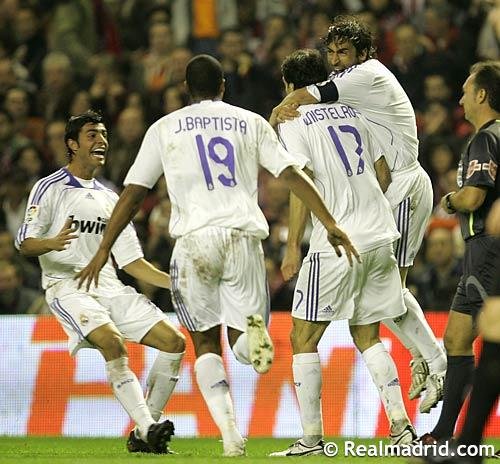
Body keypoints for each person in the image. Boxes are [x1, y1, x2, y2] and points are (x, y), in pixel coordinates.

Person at [76, 55, 358, 457]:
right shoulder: (251, 122)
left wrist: (104, 247)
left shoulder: (164, 127)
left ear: (186, 89)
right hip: (244, 239)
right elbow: (292, 174)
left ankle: (230, 436)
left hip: (194, 241)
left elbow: (134, 193)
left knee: (205, 343)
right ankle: (249, 341)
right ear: (223, 85)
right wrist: (328, 221)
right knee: (242, 339)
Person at [273, 14, 446, 413]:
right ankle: (423, 358)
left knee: (393, 291)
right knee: (383, 297)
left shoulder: (364, 75)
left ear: (364, 52)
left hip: (402, 185)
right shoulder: (349, 91)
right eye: (331, 53)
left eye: (344, 52)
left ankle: (436, 362)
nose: (336, 60)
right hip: (388, 189)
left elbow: (304, 96)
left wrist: (277, 113)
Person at [269, 49, 415, 457]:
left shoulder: (292, 118)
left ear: (289, 86)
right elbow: (383, 172)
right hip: (380, 234)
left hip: (337, 241)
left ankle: (312, 440)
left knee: (302, 336)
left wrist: (293, 245)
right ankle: (401, 427)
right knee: (367, 334)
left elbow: (300, 180)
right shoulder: (354, 111)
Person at [15, 111, 186, 454]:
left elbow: (132, 263)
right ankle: (148, 427)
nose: (102, 141)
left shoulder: (111, 197)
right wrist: (51, 243)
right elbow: (24, 243)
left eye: (104, 134)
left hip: (110, 286)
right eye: (92, 134)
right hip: (68, 286)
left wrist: (176, 284)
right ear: (72, 144)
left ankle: (145, 433)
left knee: (174, 342)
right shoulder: (50, 187)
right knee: (112, 342)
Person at [419, 61, 500, 449]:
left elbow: (473, 197)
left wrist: (450, 200)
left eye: (466, 91)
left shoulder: (486, 138)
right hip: (480, 250)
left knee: (487, 342)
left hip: (488, 249)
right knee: (456, 337)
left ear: (482, 95)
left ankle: (452, 436)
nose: (460, 98)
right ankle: (446, 434)